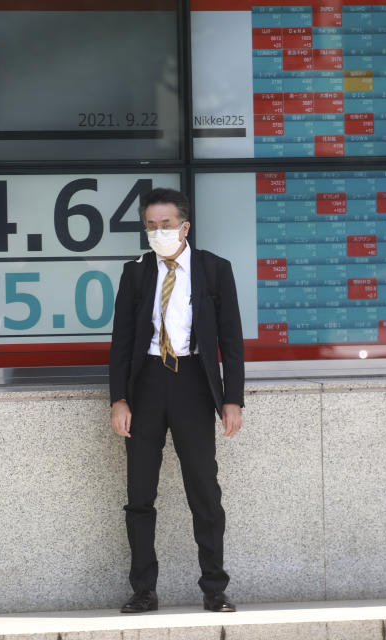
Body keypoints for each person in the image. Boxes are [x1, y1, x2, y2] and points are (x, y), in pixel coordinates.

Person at [109, 187, 244, 614]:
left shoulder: (215, 270)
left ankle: (215, 589)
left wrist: (232, 399)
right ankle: (143, 589)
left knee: (204, 489)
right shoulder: (135, 273)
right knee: (139, 492)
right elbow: (121, 342)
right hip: (147, 384)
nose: (158, 232)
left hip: (193, 384)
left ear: (184, 226)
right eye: (150, 226)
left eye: (165, 225)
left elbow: (232, 341)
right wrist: (119, 399)